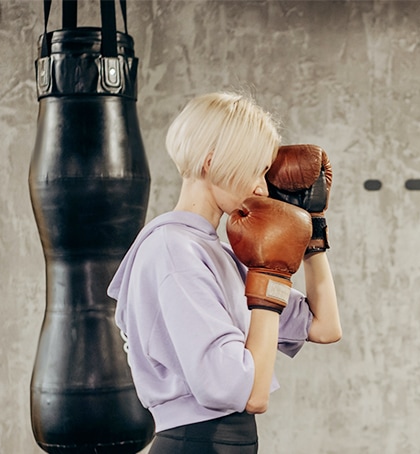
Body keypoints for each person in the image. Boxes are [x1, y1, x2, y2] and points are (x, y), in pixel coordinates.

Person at [108, 92, 342, 453]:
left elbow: (324, 327)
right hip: (195, 443)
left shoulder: (220, 252)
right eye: (256, 169)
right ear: (211, 160)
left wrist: (312, 230)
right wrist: (269, 278)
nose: (262, 188)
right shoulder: (173, 250)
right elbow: (248, 394)